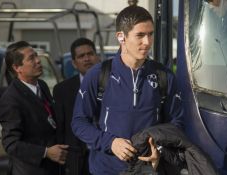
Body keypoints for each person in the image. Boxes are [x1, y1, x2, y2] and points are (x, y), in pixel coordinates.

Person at [71, 5, 183, 175]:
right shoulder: (98, 74)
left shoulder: (164, 76)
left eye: (150, 34)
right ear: (121, 37)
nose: (147, 42)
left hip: (149, 170)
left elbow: (176, 123)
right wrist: (110, 142)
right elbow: (79, 123)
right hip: (106, 169)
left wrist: (159, 150)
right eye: (140, 35)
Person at [0, 41, 68, 175]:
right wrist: (46, 152)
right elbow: (11, 144)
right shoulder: (11, 99)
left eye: (36, 56)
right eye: (31, 58)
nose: (38, 61)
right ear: (17, 67)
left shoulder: (41, 85)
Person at [53, 37, 100, 175]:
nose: (87, 59)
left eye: (90, 54)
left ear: (97, 57)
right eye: (81, 56)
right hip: (75, 161)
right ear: (74, 63)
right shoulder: (62, 90)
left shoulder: (112, 84)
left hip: (105, 156)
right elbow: (60, 127)